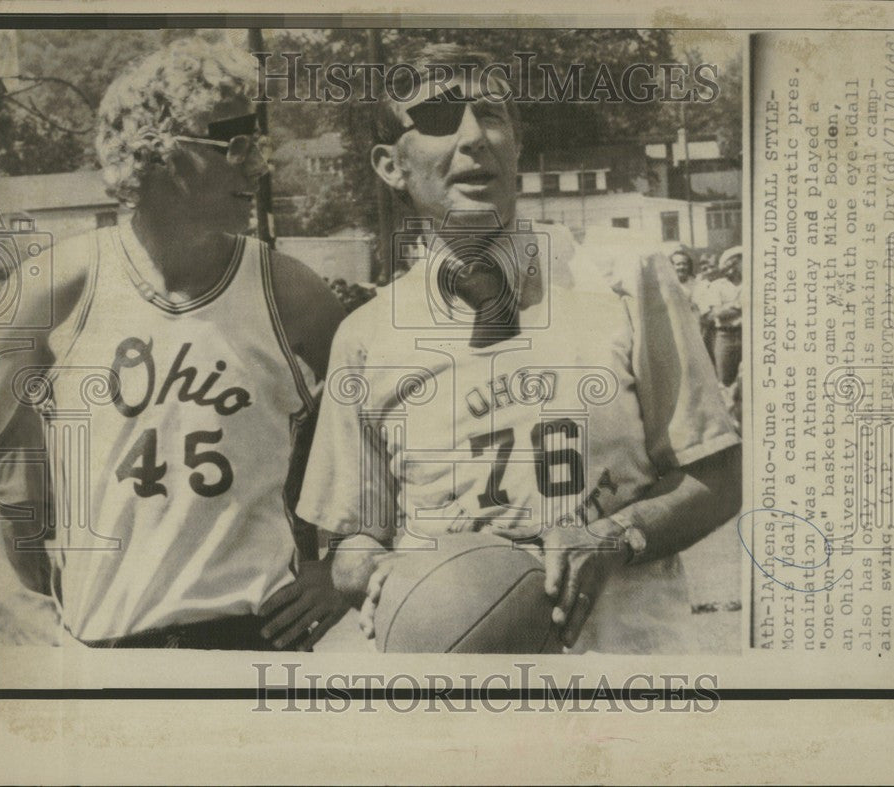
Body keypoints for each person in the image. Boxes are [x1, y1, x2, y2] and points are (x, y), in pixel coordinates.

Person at [296, 44, 741, 653]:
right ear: (390, 165)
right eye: (438, 118)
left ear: (517, 145)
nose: (474, 135)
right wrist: (382, 577)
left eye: (492, 113)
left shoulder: (620, 276)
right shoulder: (368, 337)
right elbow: (352, 539)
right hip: (459, 701)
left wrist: (615, 537)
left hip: (622, 680)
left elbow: (717, 473)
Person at [0, 38, 349, 650]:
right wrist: (0, 597)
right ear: (156, 151)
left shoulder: (290, 292)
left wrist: (338, 567)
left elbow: (380, 430)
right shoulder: (61, 285)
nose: (257, 163)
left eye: (258, 143)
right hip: (106, 642)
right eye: (233, 143)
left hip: (256, 636)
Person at [706, 247, 743, 386]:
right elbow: (717, 313)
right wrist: (740, 305)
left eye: (736, 263)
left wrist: (729, 306)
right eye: (729, 264)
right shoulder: (717, 286)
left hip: (746, 334)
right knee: (725, 381)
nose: (732, 268)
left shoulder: (750, 284)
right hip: (725, 336)